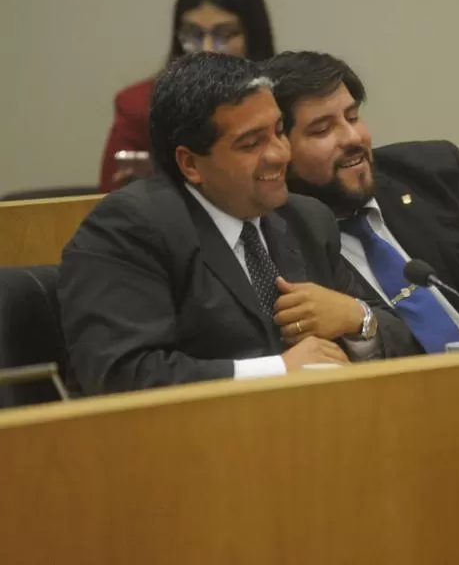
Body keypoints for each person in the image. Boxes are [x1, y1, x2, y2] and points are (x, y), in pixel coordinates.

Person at [61, 52, 419, 395]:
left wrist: (358, 318)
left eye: (279, 131)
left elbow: (403, 337)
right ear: (190, 164)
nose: (279, 154)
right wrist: (277, 370)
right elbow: (120, 373)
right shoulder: (129, 229)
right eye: (251, 144)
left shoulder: (306, 219)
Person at [260, 51, 459, 353]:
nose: (353, 138)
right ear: (280, 149)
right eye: (322, 130)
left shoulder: (428, 170)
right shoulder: (276, 241)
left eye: (353, 116)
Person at [98, 0, 276, 193]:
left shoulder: (281, 99)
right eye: (193, 34)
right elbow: (108, 207)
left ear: (253, 36)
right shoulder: (140, 106)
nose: (207, 49)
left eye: (224, 34)